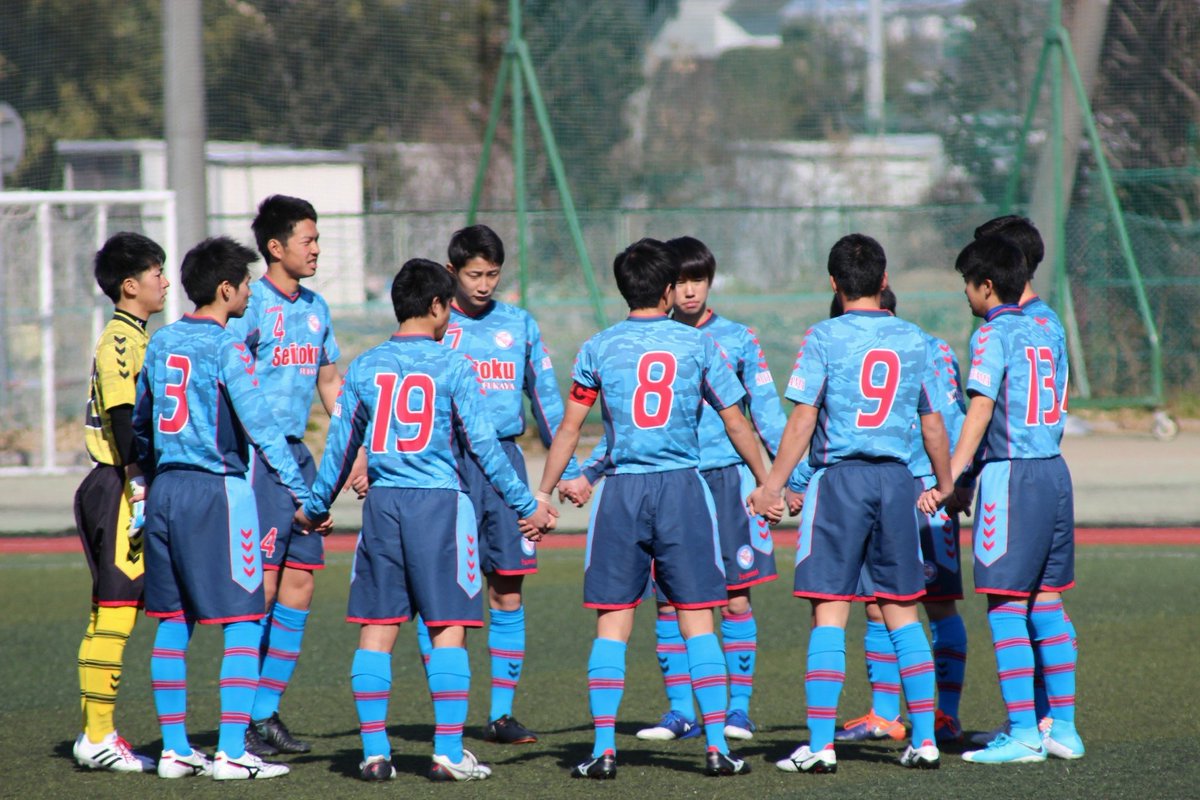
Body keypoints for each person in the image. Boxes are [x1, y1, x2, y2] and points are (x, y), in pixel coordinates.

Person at [293, 258, 556, 783]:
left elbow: (341, 448)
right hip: (440, 507)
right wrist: (527, 505)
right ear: (438, 307)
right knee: (448, 627)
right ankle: (448, 752)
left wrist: (316, 506)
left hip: (385, 507)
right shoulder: (454, 365)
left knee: (377, 628)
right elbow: (484, 448)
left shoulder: (366, 366)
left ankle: (374, 754)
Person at [536, 237, 783, 780]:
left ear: (624, 288)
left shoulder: (597, 347)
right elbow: (737, 420)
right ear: (669, 290)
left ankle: (603, 750)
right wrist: (769, 483)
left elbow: (571, 428)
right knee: (699, 619)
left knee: (613, 623)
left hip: (622, 493)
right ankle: (717, 746)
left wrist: (544, 493)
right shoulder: (698, 346)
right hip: (682, 491)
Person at [746, 233, 953, 774]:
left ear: (834, 284)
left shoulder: (823, 336)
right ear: (884, 282)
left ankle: (820, 744)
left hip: (839, 482)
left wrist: (773, 484)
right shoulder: (918, 338)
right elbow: (932, 423)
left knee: (830, 612)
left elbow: (803, 418)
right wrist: (944, 481)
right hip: (897, 482)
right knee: (903, 611)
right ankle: (926, 739)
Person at [134, 236, 314, 781]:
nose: (250, 296)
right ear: (225, 289)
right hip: (219, 492)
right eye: (245, 286)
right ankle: (232, 749)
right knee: (243, 618)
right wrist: (303, 496)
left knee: (173, 620)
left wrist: (147, 474)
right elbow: (261, 428)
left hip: (166, 491)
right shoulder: (227, 347)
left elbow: (142, 422)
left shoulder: (162, 341)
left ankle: (173, 749)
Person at [413, 223, 581, 745]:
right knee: (440, 590)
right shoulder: (435, 325)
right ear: (451, 273)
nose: (484, 284)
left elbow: (548, 401)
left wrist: (569, 469)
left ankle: (501, 714)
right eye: (473, 275)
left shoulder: (520, 324)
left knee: (508, 585)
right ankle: (449, 713)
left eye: (492, 274)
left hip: (505, 462)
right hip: (447, 464)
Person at [811, 289, 971, 746]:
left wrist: (955, 483)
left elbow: (948, 418)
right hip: (901, 486)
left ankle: (946, 714)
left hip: (921, 488)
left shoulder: (925, 347)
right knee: (883, 603)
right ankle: (888, 714)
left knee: (934, 601)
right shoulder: (927, 343)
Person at [948, 236, 1083, 764]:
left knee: (1005, 605)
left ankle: (1024, 732)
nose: (965, 294)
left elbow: (980, 412)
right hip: (1054, 472)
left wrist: (950, 475)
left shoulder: (992, 334)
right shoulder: (1048, 328)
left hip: (1012, 477)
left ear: (986, 285)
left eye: (967, 283)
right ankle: (1063, 729)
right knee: (1047, 600)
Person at [225, 194, 349, 757]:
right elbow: (228, 379)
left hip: (301, 457)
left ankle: (264, 712)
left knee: (300, 584)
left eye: (317, 239)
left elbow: (328, 381)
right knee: (265, 586)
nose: (317, 249)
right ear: (275, 248)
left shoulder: (318, 307)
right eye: (308, 239)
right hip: (258, 460)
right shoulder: (250, 307)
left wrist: (356, 448)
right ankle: (241, 715)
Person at [72, 232, 170, 773]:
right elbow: (122, 415)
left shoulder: (138, 335)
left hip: (120, 483)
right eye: (156, 273)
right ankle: (98, 735)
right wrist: (137, 480)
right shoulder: (119, 340)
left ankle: (97, 732)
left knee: (116, 611)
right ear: (130, 285)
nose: (165, 282)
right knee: (115, 613)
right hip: (118, 485)